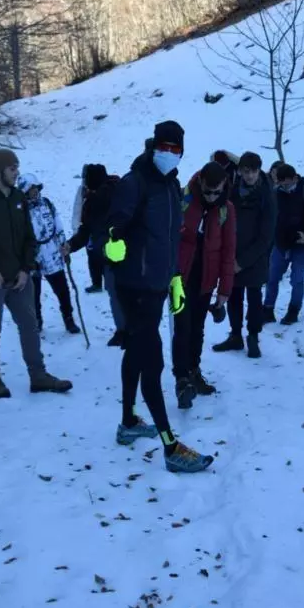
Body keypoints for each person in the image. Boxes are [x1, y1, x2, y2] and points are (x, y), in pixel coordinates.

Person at [105, 121, 213, 473]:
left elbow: (170, 238)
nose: (168, 154)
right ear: (153, 147)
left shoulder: (170, 186)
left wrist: (175, 277)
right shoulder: (134, 182)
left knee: (136, 354)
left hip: (157, 285)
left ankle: (128, 422)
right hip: (134, 287)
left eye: (175, 149)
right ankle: (171, 446)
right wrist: (113, 243)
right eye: (163, 147)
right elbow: (111, 226)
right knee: (152, 362)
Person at [0, 149, 72, 399]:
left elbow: (29, 239)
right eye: (12, 168)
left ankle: (38, 375)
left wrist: (26, 268)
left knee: (30, 326)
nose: (17, 172)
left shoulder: (19, 199)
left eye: (17, 167)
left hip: (19, 279)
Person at [172, 161, 236, 408]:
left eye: (216, 192)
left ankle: (193, 370)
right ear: (200, 183)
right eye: (208, 191)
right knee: (182, 326)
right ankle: (181, 379)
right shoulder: (185, 199)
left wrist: (225, 290)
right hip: (179, 276)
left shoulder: (226, 209)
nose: (211, 197)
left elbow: (228, 249)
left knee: (197, 327)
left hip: (206, 277)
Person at [213, 151, 275, 358]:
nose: (249, 176)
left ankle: (253, 336)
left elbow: (267, 236)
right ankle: (236, 335)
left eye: (253, 171)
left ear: (259, 170)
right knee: (234, 296)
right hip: (233, 252)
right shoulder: (233, 191)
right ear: (240, 171)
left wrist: (243, 261)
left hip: (255, 257)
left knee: (254, 298)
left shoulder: (267, 195)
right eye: (246, 171)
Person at [66, 165, 126, 346]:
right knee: (122, 294)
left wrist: (71, 245)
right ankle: (127, 330)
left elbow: (86, 229)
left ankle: (124, 331)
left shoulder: (96, 201)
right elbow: (87, 229)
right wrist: (71, 245)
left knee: (117, 294)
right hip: (120, 255)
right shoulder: (121, 190)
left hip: (116, 256)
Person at [262, 164, 304, 325]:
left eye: (286, 183)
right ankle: (267, 309)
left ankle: (293, 311)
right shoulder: (275, 193)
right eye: (280, 183)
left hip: (302, 246)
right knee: (272, 278)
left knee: (297, 279)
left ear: (295, 178)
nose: (283, 187)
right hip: (280, 245)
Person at [18, 174, 80, 335]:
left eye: (36, 188)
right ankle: (36, 321)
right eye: (30, 189)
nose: (34, 191)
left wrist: (64, 244)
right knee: (33, 292)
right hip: (33, 255)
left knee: (62, 289)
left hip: (52, 252)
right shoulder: (20, 210)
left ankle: (68, 318)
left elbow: (58, 224)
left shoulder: (47, 204)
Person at [73, 165, 107, 293]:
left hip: (102, 233)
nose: (84, 180)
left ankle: (109, 282)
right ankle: (96, 283)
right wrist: (77, 227)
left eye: (86, 177)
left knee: (104, 258)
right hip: (89, 231)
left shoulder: (104, 194)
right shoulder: (83, 191)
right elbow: (77, 208)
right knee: (92, 258)